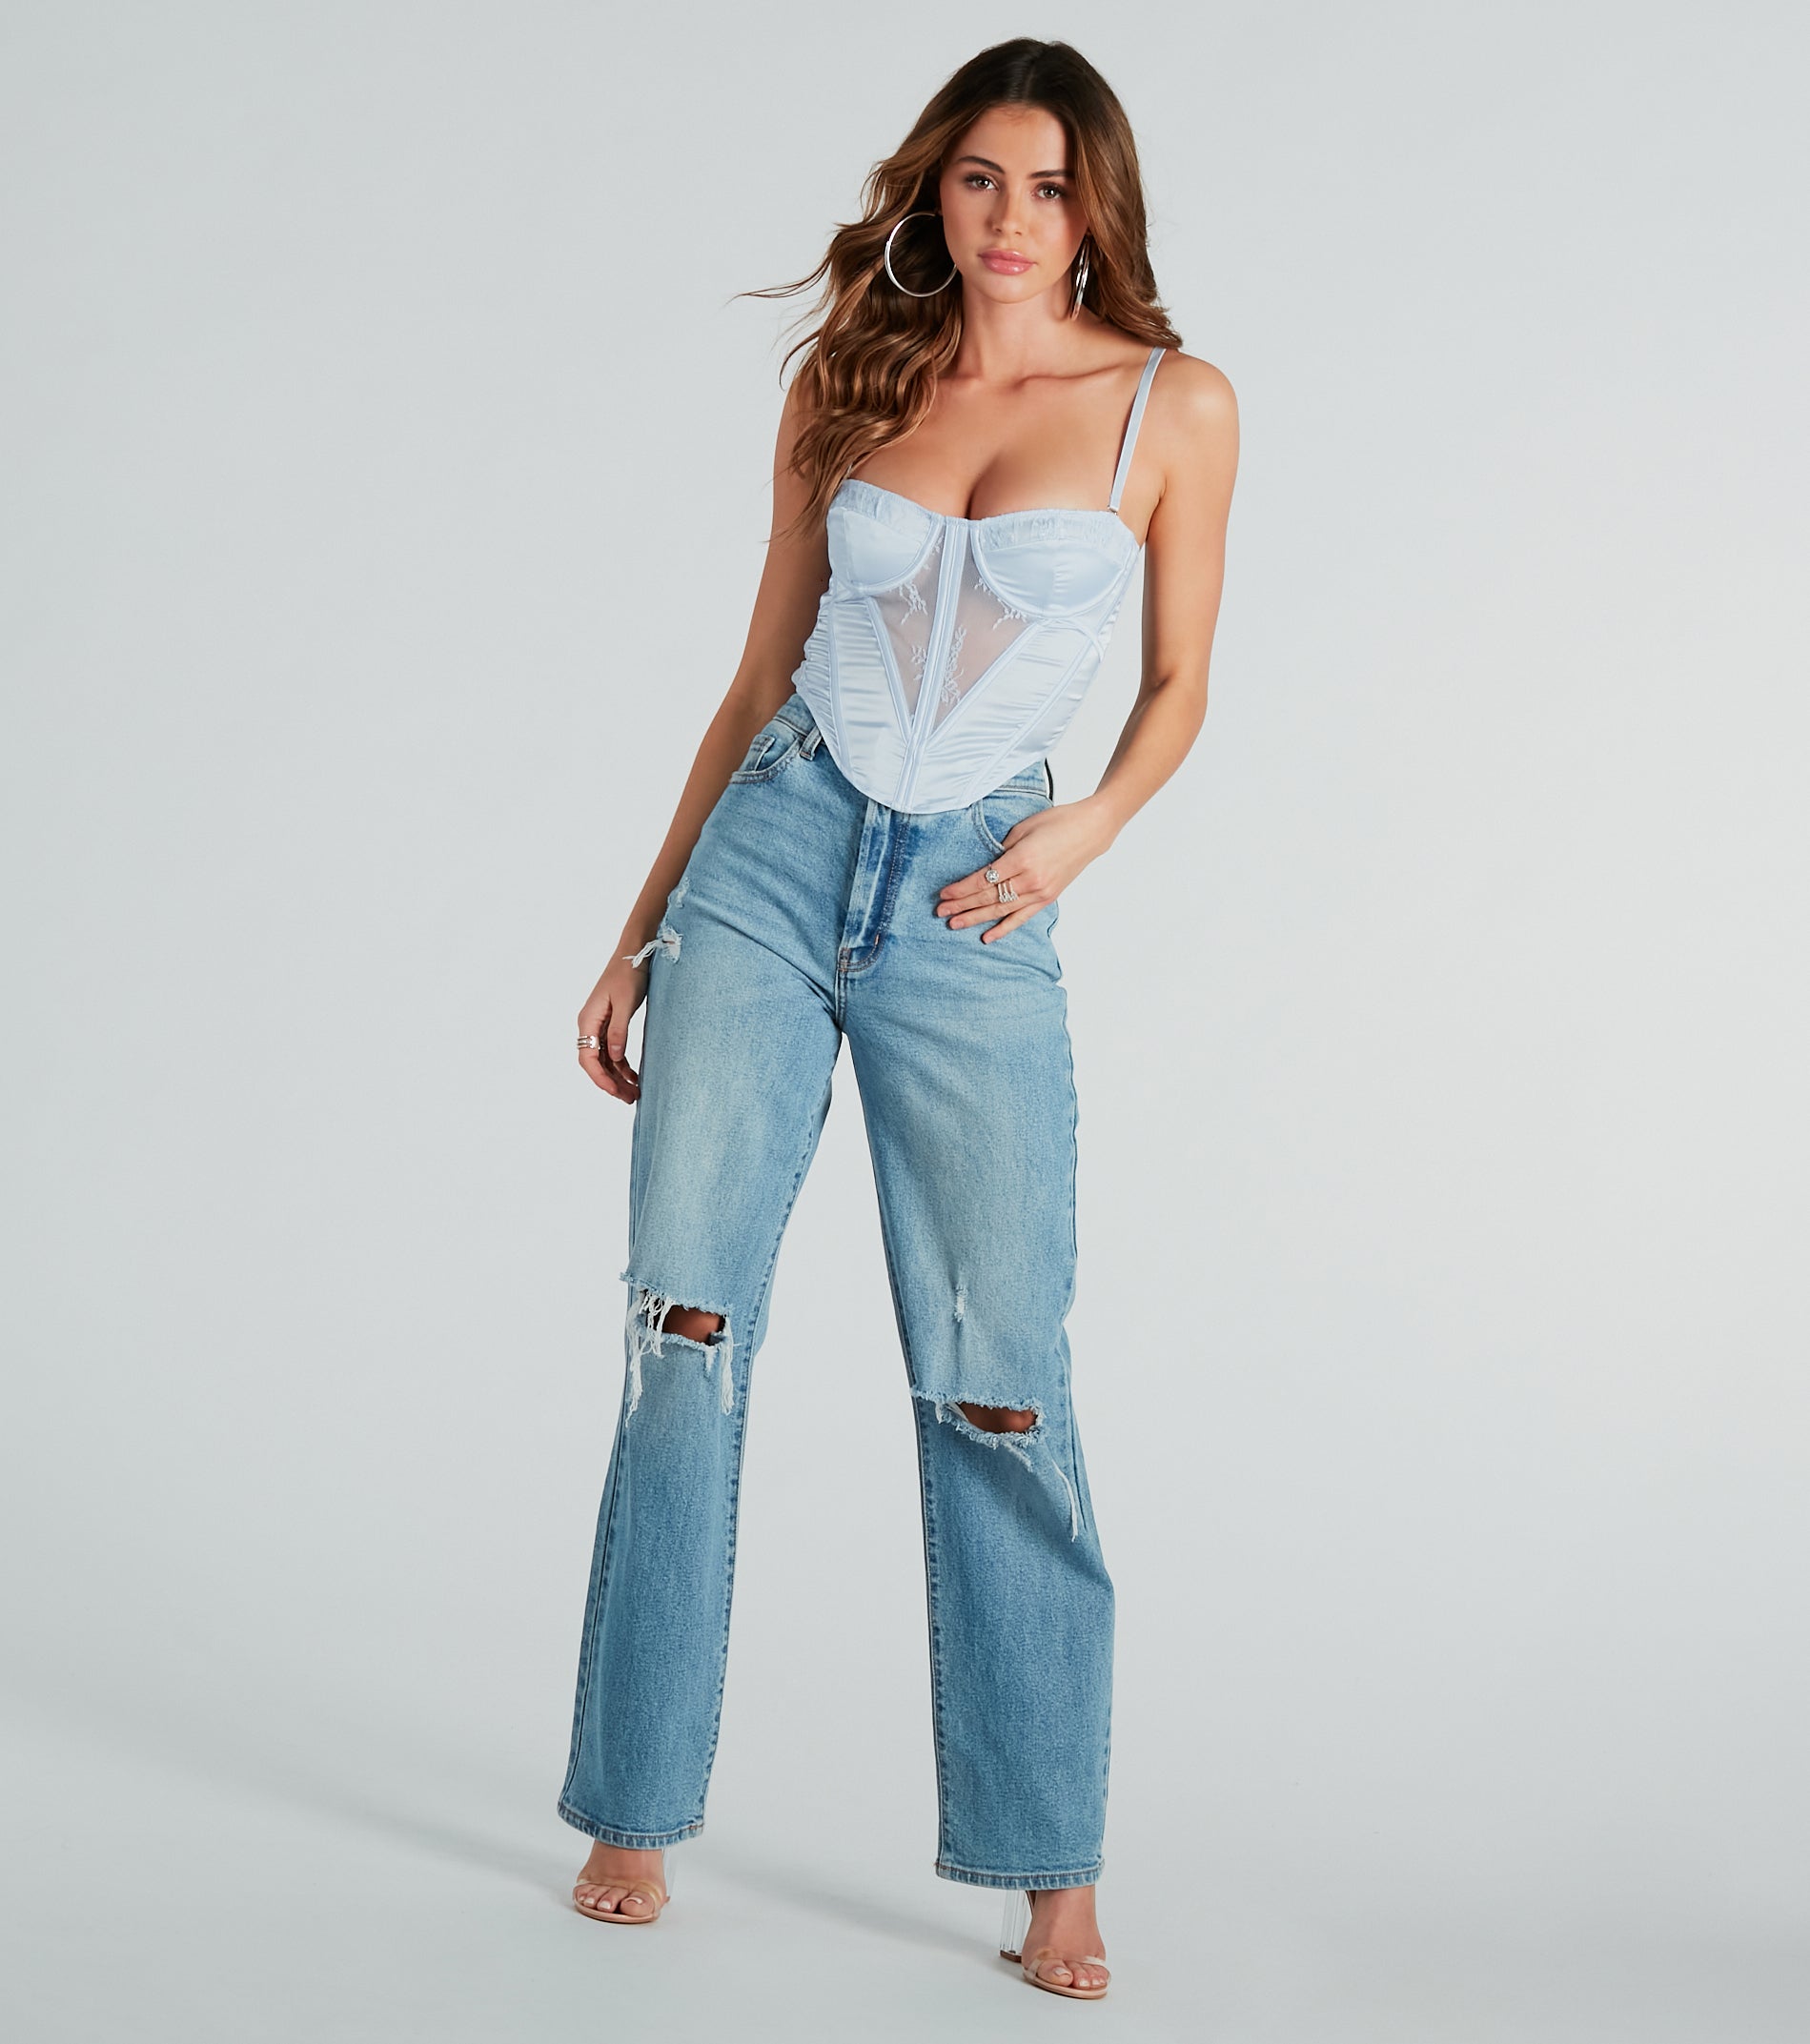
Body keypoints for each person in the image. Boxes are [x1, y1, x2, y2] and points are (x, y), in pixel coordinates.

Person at [559, 36, 1238, 2003]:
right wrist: (639, 929)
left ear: (1096, 205)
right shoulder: (849, 376)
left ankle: (1048, 1857)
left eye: (1047, 185)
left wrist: (1077, 835)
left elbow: (1180, 681)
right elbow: (754, 670)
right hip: (769, 865)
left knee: (997, 1371)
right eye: (977, 180)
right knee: (683, 1327)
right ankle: (631, 1801)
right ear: (933, 191)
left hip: (972, 899)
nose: (1010, 219)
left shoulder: (1169, 403)